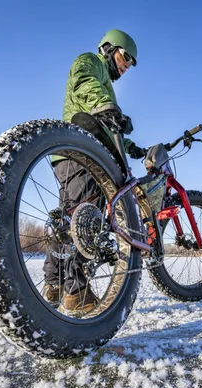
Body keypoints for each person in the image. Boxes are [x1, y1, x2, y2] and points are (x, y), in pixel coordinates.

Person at [42, 29, 146, 316]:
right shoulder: (91, 63)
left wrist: (134, 149)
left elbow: (109, 132)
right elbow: (83, 82)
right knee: (84, 219)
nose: (127, 66)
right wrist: (106, 105)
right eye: (126, 58)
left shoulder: (106, 83)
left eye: (132, 64)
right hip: (81, 154)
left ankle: (53, 284)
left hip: (79, 154)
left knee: (69, 217)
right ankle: (75, 292)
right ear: (110, 48)